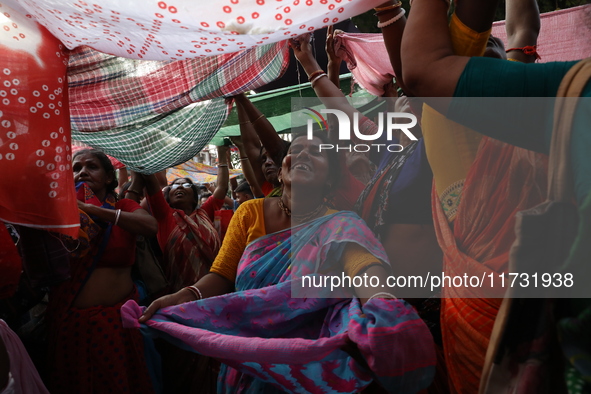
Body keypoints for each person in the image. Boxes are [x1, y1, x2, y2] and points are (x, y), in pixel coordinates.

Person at [123, 132, 437, 393]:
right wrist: (186, 296)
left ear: (329, 178)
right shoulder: (250, 213)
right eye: (295, 150)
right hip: (248, 361)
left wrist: (383, 305)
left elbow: (366, 269)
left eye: (316, 153)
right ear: (284, 166)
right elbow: (221, 276)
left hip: (311, 367)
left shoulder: (342, 224)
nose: (301, 155)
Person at [401, 0, 591, 391]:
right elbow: (517, 30)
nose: (483, 58)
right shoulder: (443, 120)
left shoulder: (542, 107)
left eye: (493, 51)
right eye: (474, 54)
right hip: (490, 318)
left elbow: (522, 32)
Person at [46, 149, 158, 394]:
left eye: (91, 166)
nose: (82, 172)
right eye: (76, 168)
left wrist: (91, 210)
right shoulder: (60, 211)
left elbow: (150, 226)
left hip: (118, 323)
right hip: (71, 322)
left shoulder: (123, 206)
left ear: (109, 177)